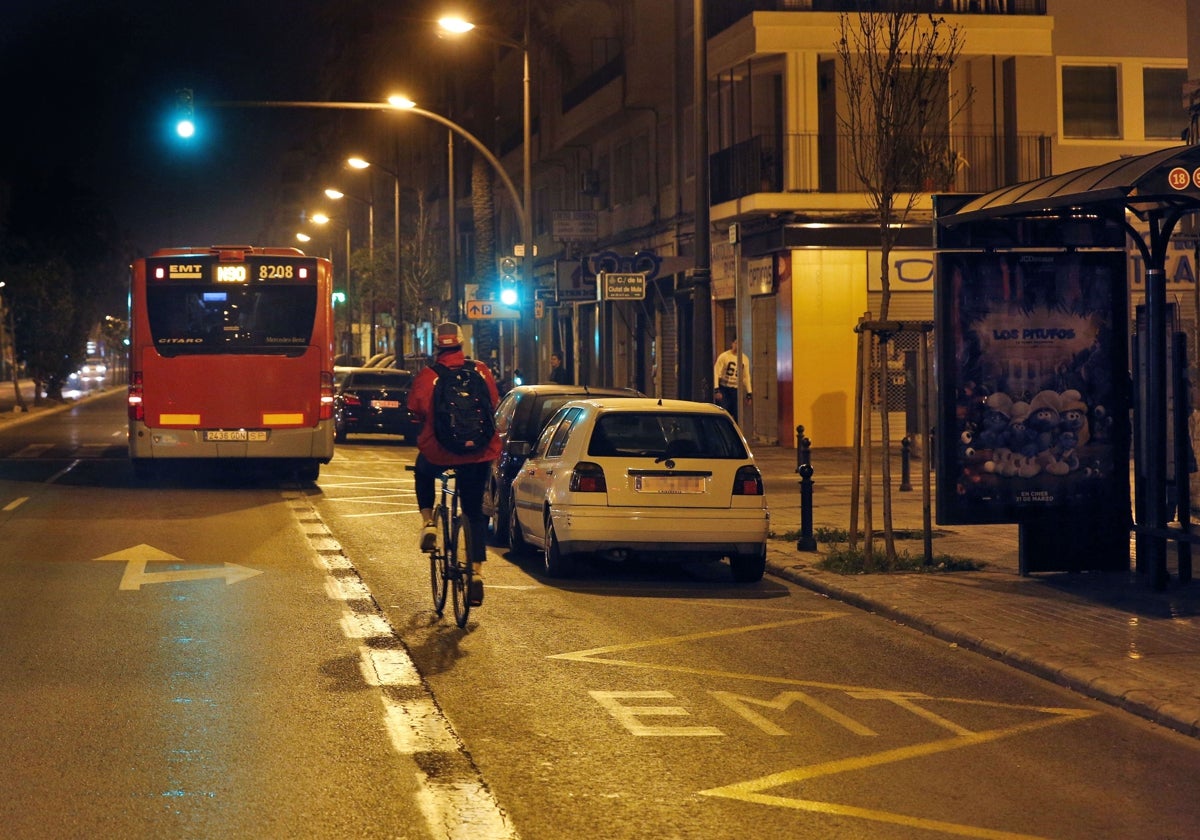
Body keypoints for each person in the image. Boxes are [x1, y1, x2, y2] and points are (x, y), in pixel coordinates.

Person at [407, 322, 502, 606]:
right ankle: (475, 573)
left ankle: (429, 525)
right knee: (473, 513)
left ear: (437, 346)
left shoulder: (428, 376)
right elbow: (493, 402)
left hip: (439, 452)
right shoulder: (481, 370)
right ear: (462, 344)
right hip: (478, 453)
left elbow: (415, 408)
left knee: (422, 473)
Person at [713, 335, 752, 424]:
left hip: (736, 389)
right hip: (724, 388)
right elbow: (716, 373)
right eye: (736, 343)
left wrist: (749, 392)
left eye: (740, 344)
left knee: (737, 414)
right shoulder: (724, 356)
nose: (737, 346)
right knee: (724, 412)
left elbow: (746, 376)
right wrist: (716, 389)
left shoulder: (744, 359)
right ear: (732, 344)